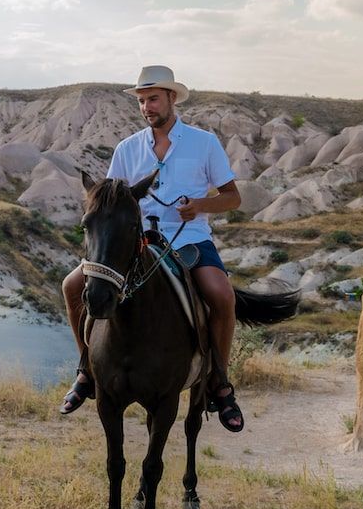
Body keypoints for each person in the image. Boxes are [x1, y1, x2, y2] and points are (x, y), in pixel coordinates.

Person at [57, 65, 246, 431]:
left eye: (153, 99)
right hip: (139, 241)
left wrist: (200, 206)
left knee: (221, 295)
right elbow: (111, 201)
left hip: (189, 238)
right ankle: (86, 369)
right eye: (142, 101)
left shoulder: (203, 143)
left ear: (172, 99)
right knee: (72, 286)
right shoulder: (128, 148)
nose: (147, 107)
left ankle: (219, 382)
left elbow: (233, 198)